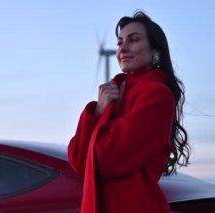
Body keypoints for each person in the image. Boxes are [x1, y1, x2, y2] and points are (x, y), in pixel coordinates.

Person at [68, 10, 191, 213]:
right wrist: (97, 112)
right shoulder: (114, 93)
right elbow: (79, 162)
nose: (122, 48)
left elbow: (106, 159)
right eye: (119, 42)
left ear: (155, 52)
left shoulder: (157, 96)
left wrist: (108, 116)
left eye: (133, 40)